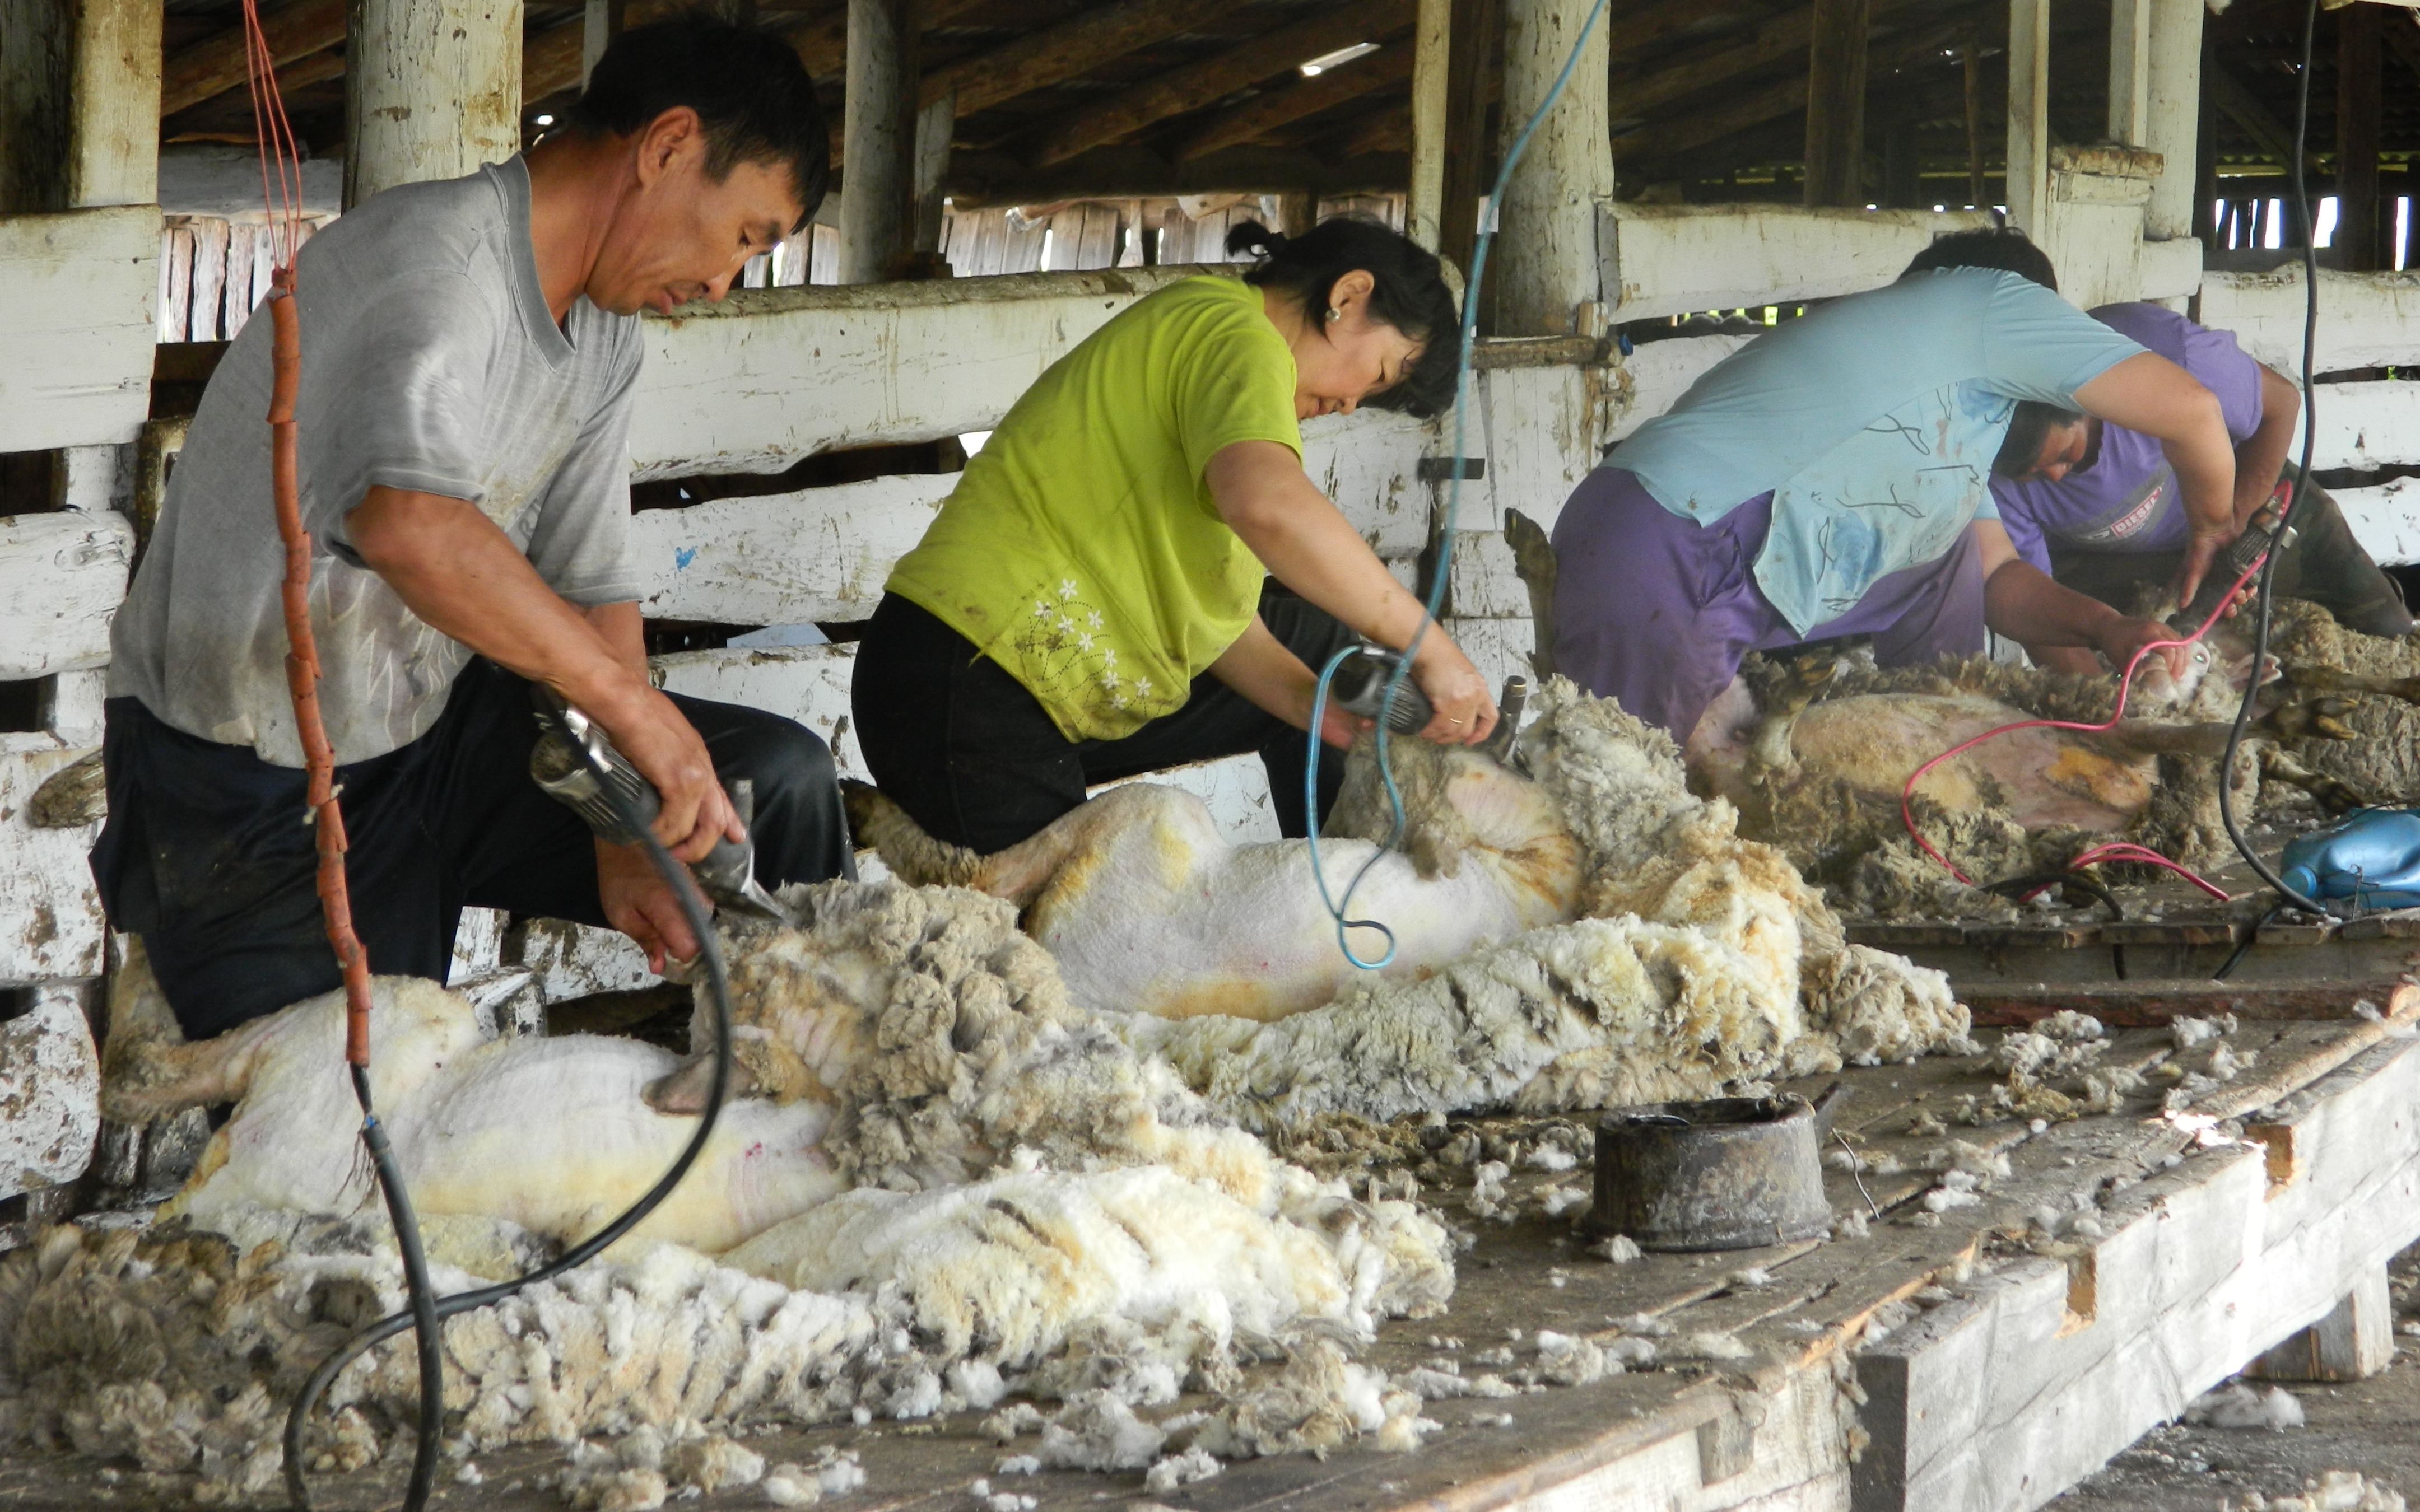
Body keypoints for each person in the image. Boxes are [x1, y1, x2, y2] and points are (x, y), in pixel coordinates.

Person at [94, 15, 855, 1042]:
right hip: (250, 784)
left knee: (782, 787)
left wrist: (620, 817)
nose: (723, 282)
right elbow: (410, 525)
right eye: (746, 235)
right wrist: (635, 716)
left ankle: (780, 1104)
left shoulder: (605, 335)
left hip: (431, 739)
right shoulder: (437, 261)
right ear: (669, 146)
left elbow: (592, 582)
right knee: (363, 1130)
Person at [853, 218, 1497, 854]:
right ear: (1349, 296)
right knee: (1048, 948)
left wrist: (1318, 712)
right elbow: (1268, 505)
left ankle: (1351, 886)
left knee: (1319, 651)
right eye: (1381, 373)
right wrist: (1433, 648)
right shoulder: (1234, 332)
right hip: (966, 679)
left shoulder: (1226, 374)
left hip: (1005, 678)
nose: (1356, 403)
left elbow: (1212, 626)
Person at [1549, 226, 2241, 745]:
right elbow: (2194, 412)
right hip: (1670, 541)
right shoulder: (1991, 303)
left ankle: (1940, 744)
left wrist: (2109, 627)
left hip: (1687, 546)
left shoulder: (1939, 423)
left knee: (1940, 560)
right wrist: (2212, 525)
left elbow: (1993, 577)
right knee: (1636, 817)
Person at [1990, 302, 2412, 670]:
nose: (2056, 479)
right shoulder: (1993, 480)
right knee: (2205, 684)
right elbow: (2036, 611)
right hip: (2126, 566)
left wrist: (2232, 532)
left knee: (2387, 630)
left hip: (2251, 504)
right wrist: (2108, 710)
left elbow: (2281, 404)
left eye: (2066, 455)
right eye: (2032, 475)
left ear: (2083, 401)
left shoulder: (2161, 351)